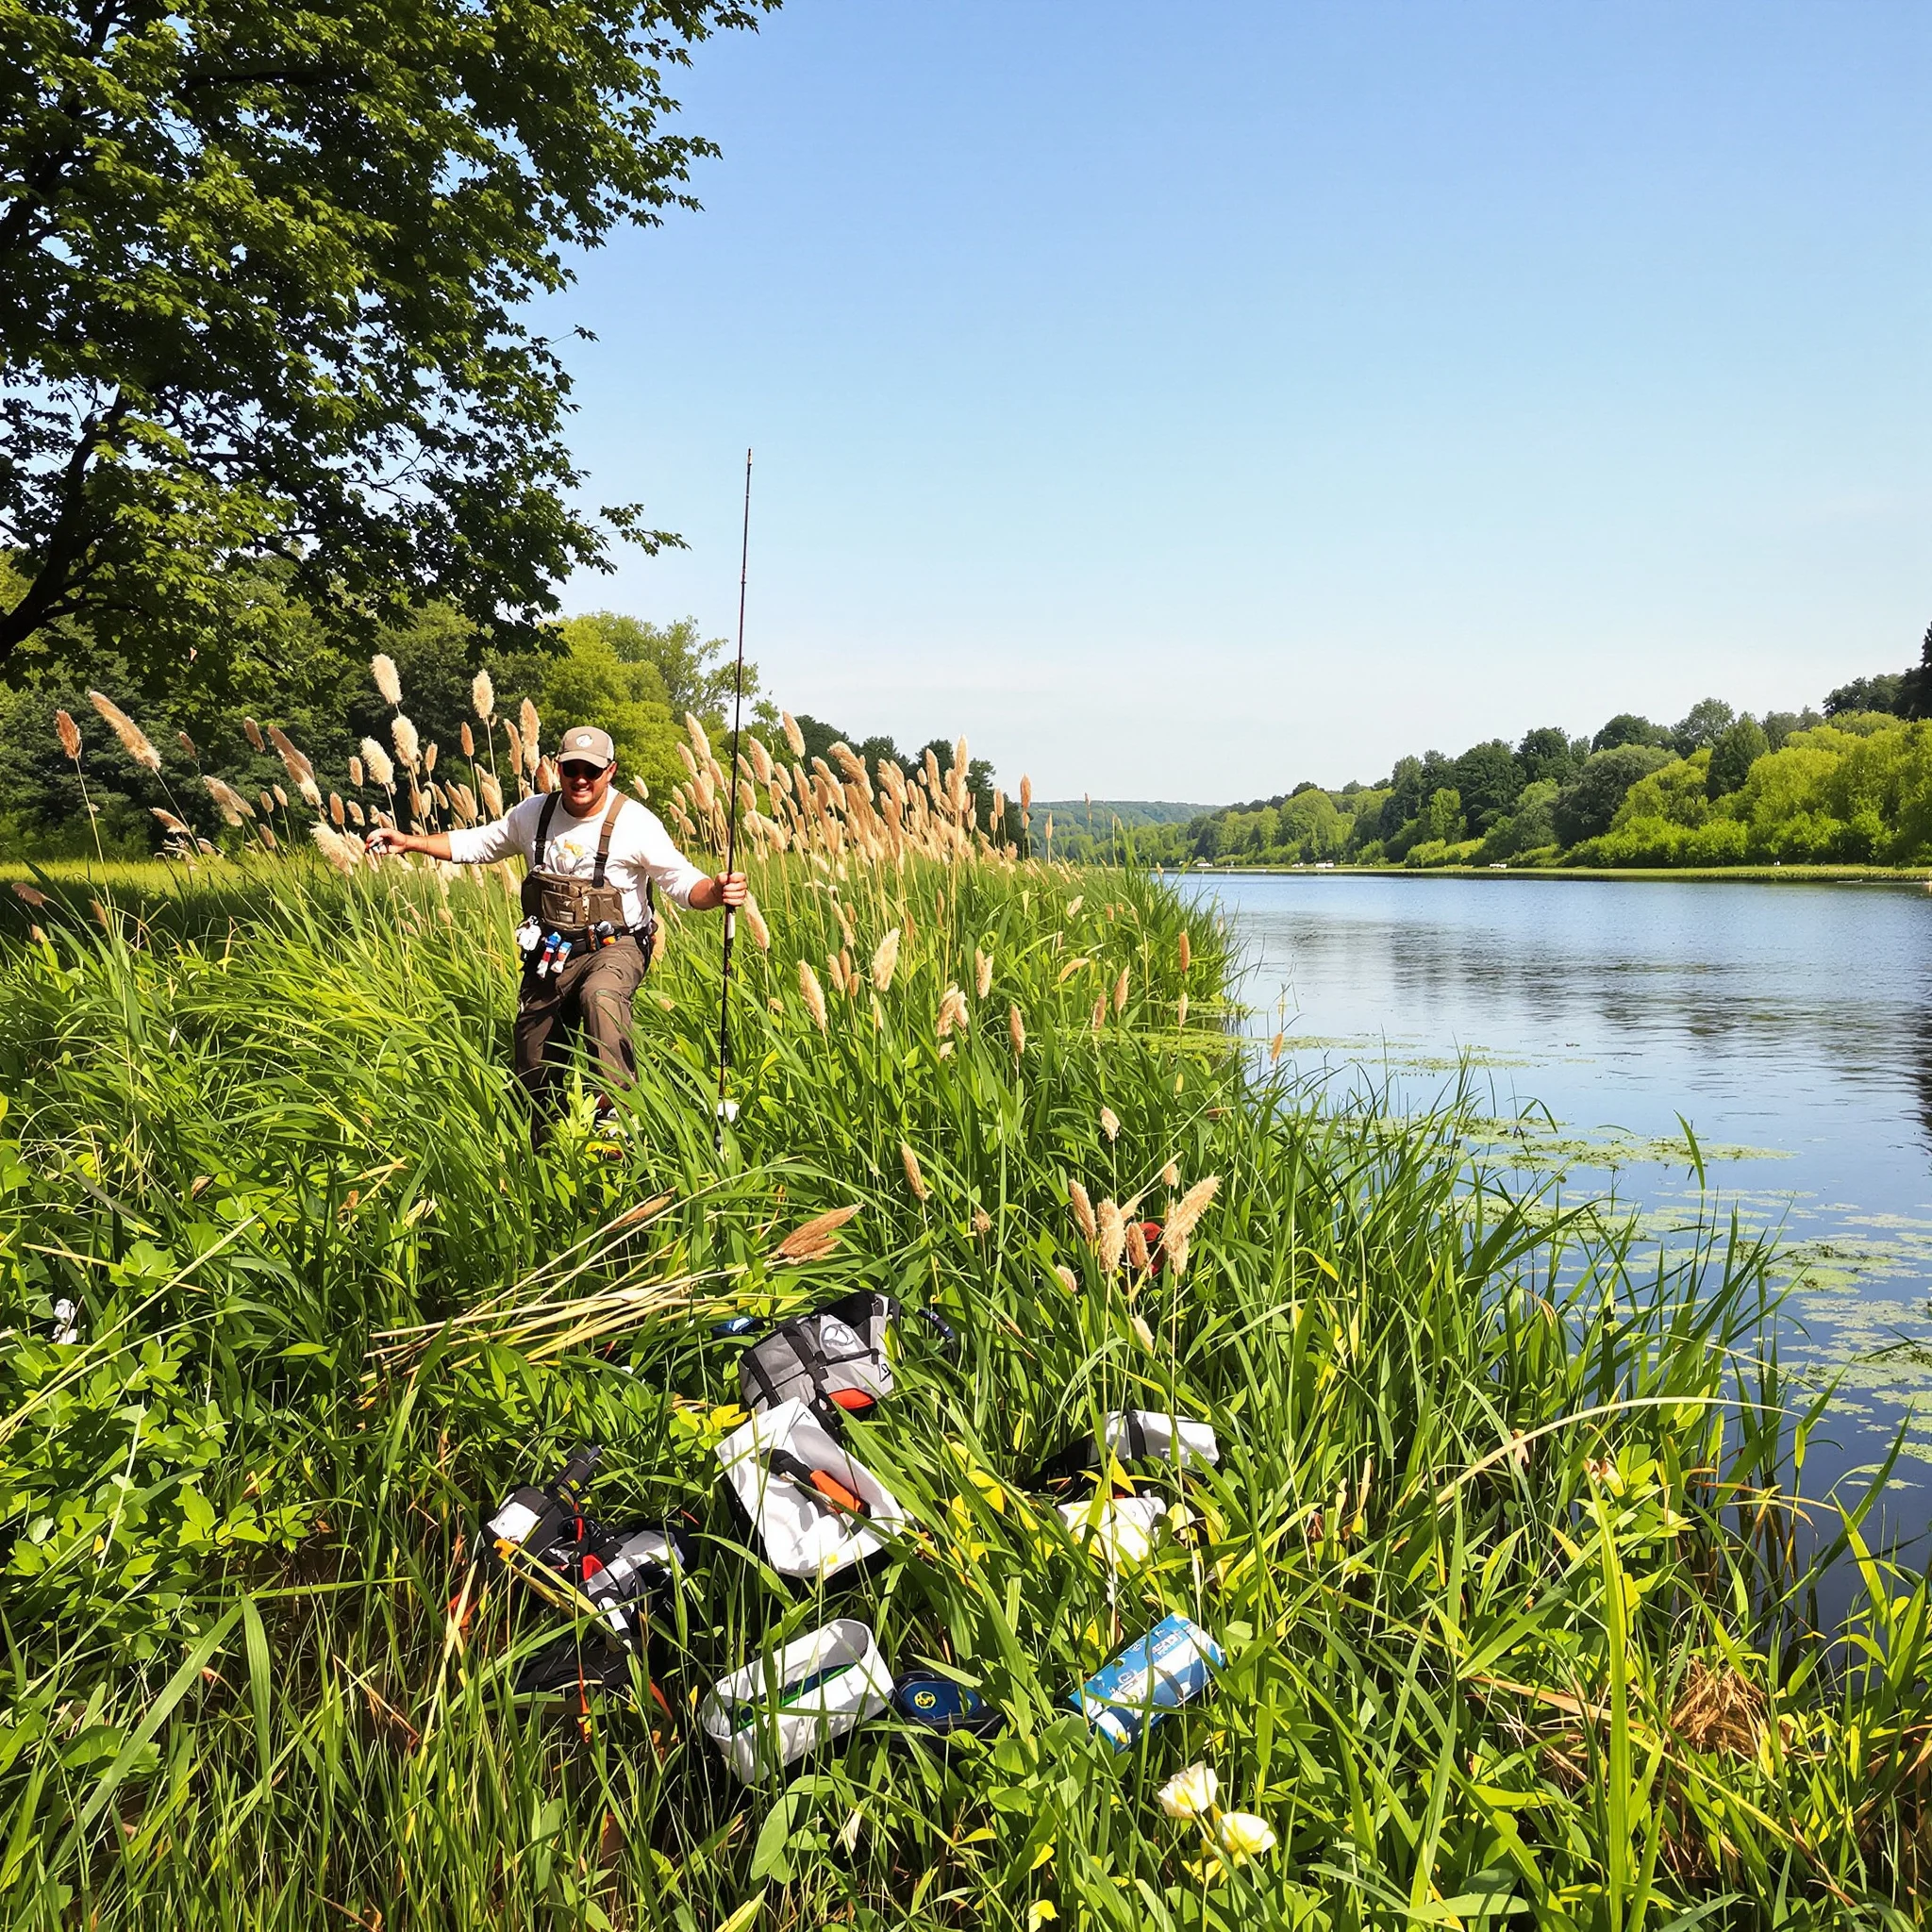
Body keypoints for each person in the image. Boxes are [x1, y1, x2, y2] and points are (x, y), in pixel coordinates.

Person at [367, 724, 746, 1137]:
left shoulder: (635, 823)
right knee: (533, 1057)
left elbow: (681, 881)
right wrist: (410, 841)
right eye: (572, 769)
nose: (581, 779)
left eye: (592, 770)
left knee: (601, 998)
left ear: (610, 771)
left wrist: (716, 891)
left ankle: (616, 1122)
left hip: (615, 946)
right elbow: (478, 843)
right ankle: (543, 1143)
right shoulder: (533, 814)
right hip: (551, 950)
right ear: (558, 769)